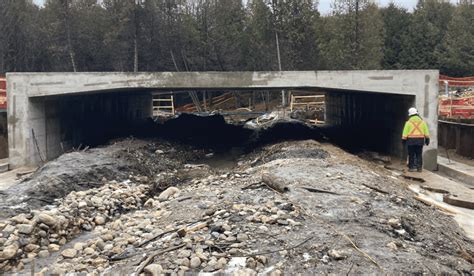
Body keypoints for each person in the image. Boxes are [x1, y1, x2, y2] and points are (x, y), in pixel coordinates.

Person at [402, 108, 430, 172]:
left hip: (411, 141)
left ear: (410, 115)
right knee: (419, 154)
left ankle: (411, 168)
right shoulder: (422, 122)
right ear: (417, 113)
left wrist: (403, 140)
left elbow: (405, 132)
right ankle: (419, 168)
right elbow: (426, 131)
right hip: (420, 141)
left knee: (411, 154)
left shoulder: (408, 122)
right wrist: (427, 139)